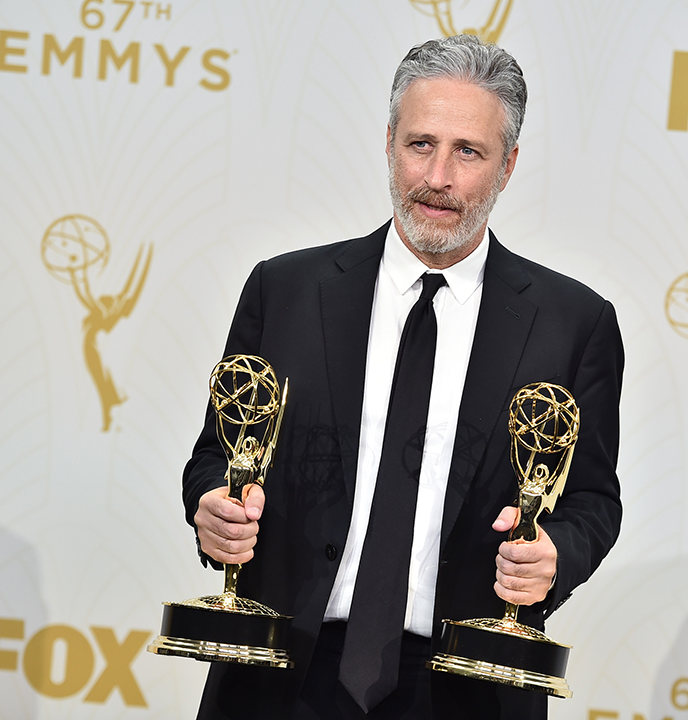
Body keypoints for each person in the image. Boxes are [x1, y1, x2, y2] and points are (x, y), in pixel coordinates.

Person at [182, 34, 623, 719]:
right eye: (421, 144)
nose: (438, 178)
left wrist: (555, 554)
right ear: (389, 142)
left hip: (467, 688)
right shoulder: (287, 290)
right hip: (284, 678)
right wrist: (213, 505)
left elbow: (593, 500)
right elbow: (217, 453)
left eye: (468, 152)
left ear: (507, 167)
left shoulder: (575, 323)